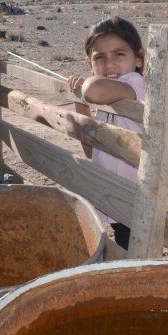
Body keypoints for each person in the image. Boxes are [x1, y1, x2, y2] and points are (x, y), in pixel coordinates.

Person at [67, 16, 146, 250]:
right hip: (112, 193)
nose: (109, 64)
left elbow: (93, 89)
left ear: (139, 59)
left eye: (119, 54)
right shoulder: (108, 97)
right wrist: (81, 102)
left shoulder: (136, 84)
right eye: (99, 57)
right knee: (122, 248)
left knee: (135, 251)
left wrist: (85, 88)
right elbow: (91, 150)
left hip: (134, 196)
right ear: (89, 62)